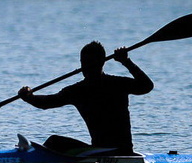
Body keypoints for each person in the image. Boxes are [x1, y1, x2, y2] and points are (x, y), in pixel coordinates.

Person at [18, 41, 154, 155]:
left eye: (89, 62)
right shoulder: (81, 89)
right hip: (118, 151)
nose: (85, 66)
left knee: (54, 141)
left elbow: (147, 86)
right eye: (83, 62)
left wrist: (28, 97)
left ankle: (35, 157)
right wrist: (29, 97)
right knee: (55, 141)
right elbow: (47, 103)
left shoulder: (84, 89)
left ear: (101, 62)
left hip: (109, 151)